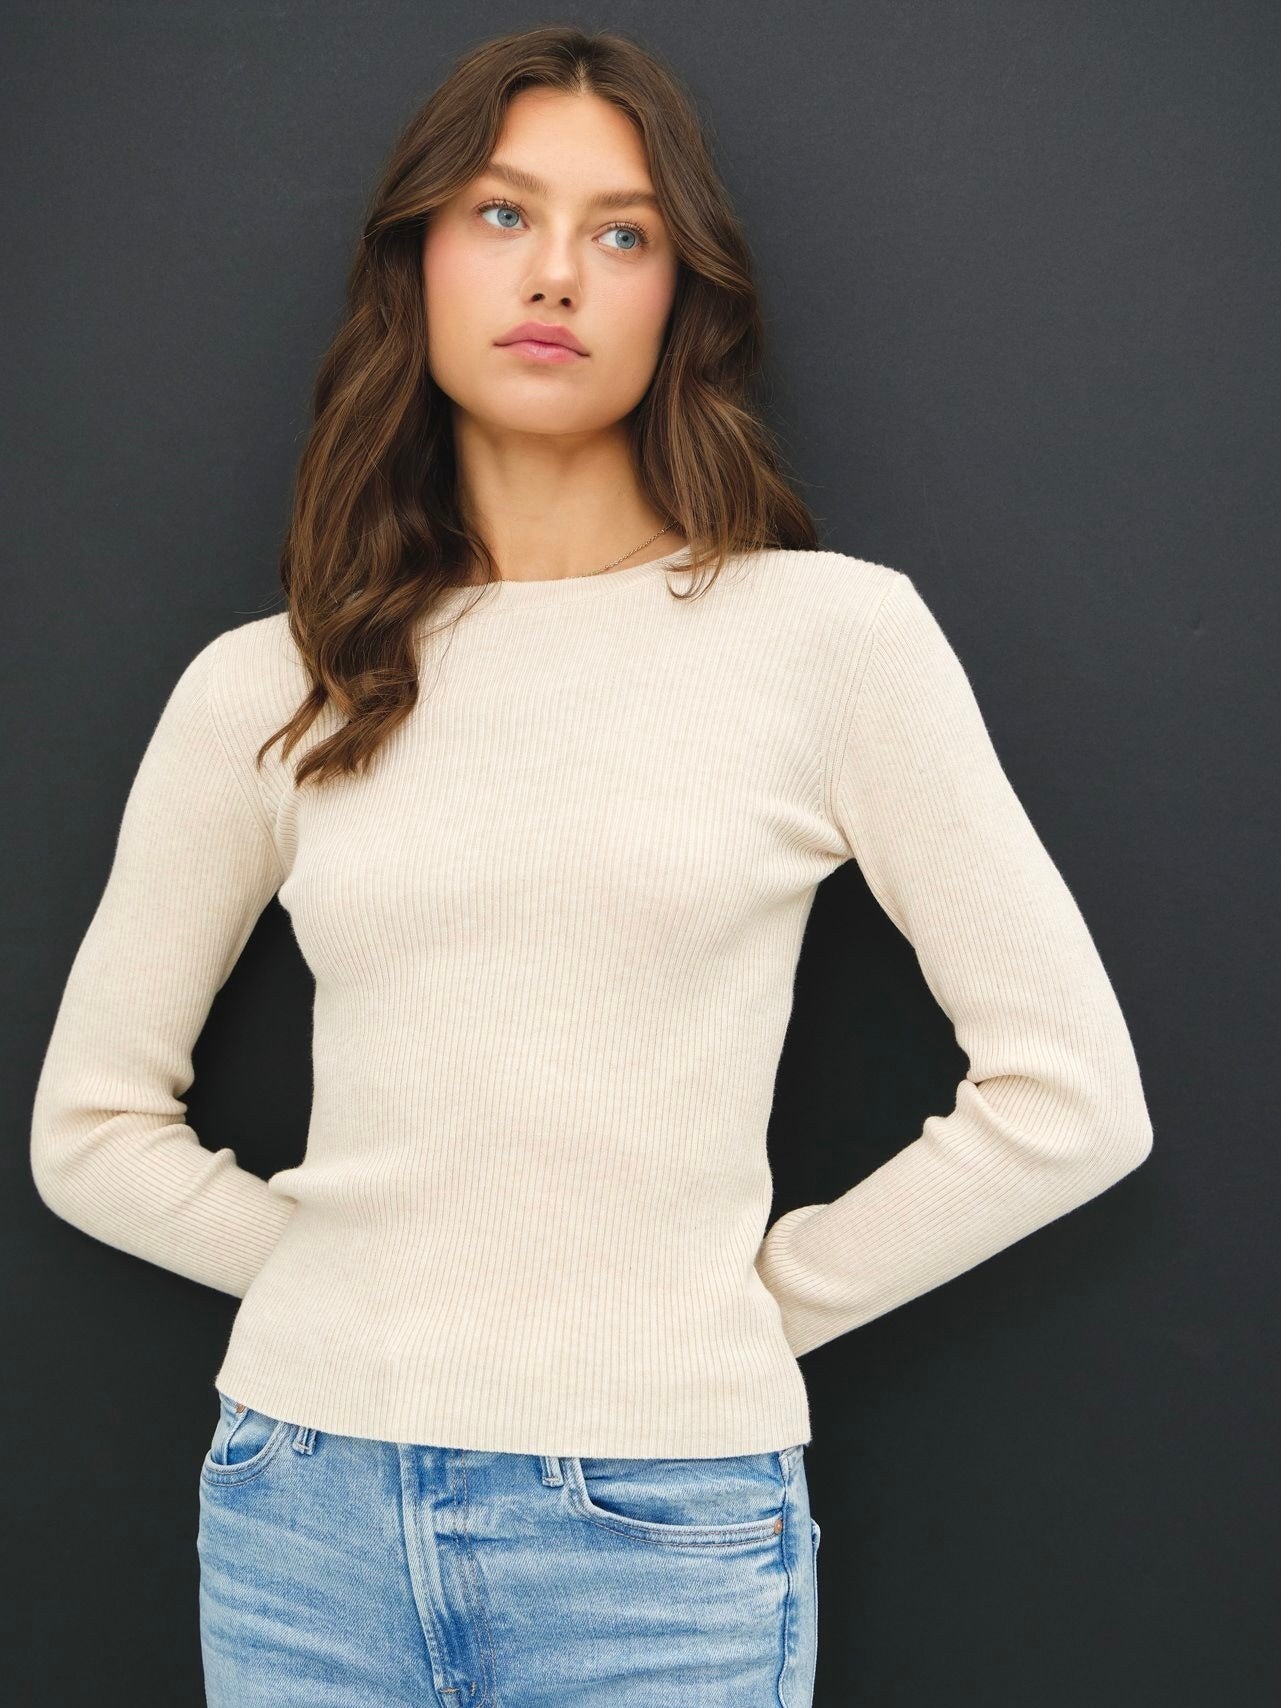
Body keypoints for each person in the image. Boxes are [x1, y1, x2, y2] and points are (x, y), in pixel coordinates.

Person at [28, 24, 1153, 1708]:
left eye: (620, 232)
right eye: (500, 214)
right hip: (298, 1509)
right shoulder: (269, 683)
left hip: (657, 1530)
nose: (554, 271)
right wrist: (367, 1300)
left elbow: (1072, 1102)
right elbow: (89, 1131)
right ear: (413, 260)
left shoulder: (828, 640)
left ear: (679, 296)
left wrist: (737, 1308)